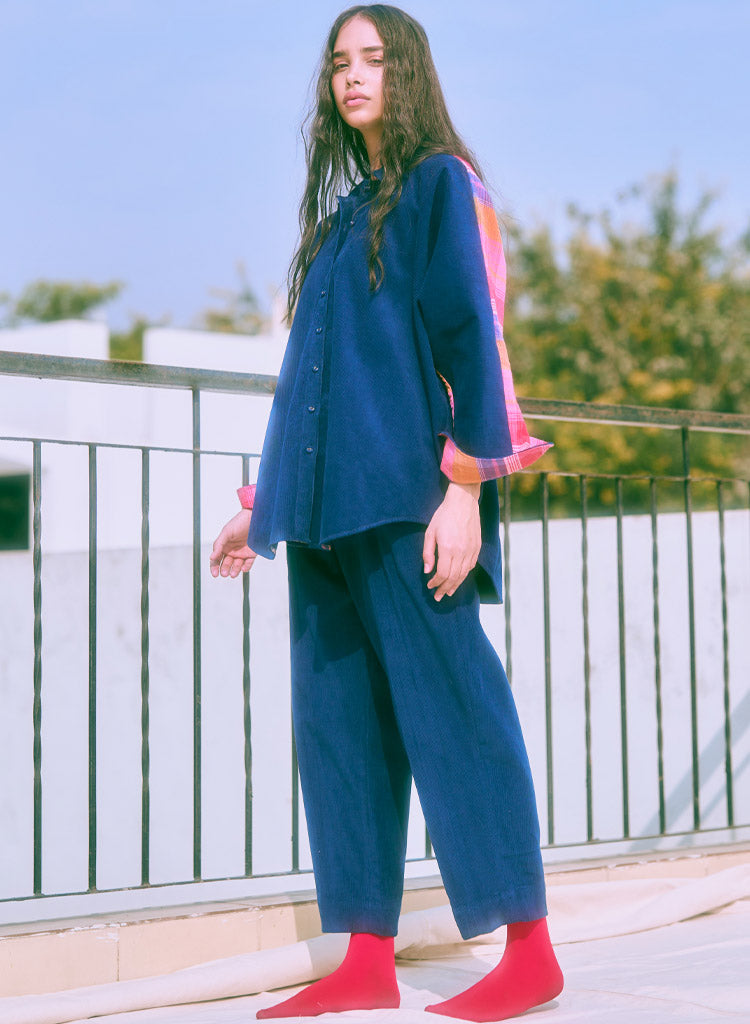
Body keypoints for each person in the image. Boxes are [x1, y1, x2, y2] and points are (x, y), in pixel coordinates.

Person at [210, 5, 564, 1020]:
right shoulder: (340, 219)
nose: (354, 76)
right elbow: (313, 384)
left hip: (413, 504)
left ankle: (530, 949)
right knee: (341, 732)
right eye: (340, 63)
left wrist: (466, 488)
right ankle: (364, 956)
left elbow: (472, 335)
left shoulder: (443, 185)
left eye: (373, 59)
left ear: (407, 71)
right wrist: (264, 506)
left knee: (457, 714)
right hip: (324, 517)